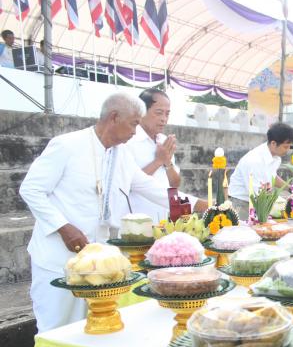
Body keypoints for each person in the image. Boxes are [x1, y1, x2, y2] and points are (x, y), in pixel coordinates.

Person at [19, 93, 206, 332]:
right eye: (134, 123)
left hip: (99, 263)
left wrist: (202, 205)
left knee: (91, 328)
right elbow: (31, 189)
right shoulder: (67, 145)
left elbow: (152, 189)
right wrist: (63, 227)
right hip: (58, 257)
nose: (135, 130)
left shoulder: (121, 154)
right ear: (114, 117)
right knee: (55, 329)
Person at [125, 88, 181, 223]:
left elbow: (174, 184)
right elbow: (129, 184)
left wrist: (167, 162)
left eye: (167, 114)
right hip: (137, 222)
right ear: (141, 112)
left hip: (163, 220)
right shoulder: (128, 141)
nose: (164, 119)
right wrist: (158, 161)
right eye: (159, 113)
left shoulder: (163, 141)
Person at [228, 122, 293, 219]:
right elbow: (256, 194)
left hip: (259, 202)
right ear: (273, 143)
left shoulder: (275, 157)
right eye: (285, 146)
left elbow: (272, 176)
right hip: (242, 204)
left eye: (289, 146)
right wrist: (281, 207)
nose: (288, 150)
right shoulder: (254, 160)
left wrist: (290, 188)